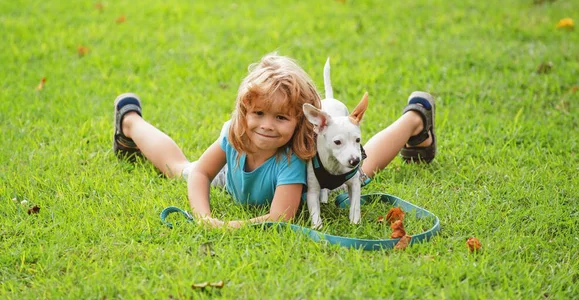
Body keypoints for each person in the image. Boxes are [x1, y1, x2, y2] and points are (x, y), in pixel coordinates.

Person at [112, 53, 436, 228]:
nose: (266, 126)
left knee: (361, 169)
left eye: (281, 118)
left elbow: (280, 216)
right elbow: (200, 174)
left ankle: (416, 117)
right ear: (244, 111)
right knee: (181, 168)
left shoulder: (292, 161)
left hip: (315, 178)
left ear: (299, 122)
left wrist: (228, 225)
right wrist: (203, 216)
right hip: (231, 180)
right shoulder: (233, 134)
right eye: (258, 113)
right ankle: (129, 122)